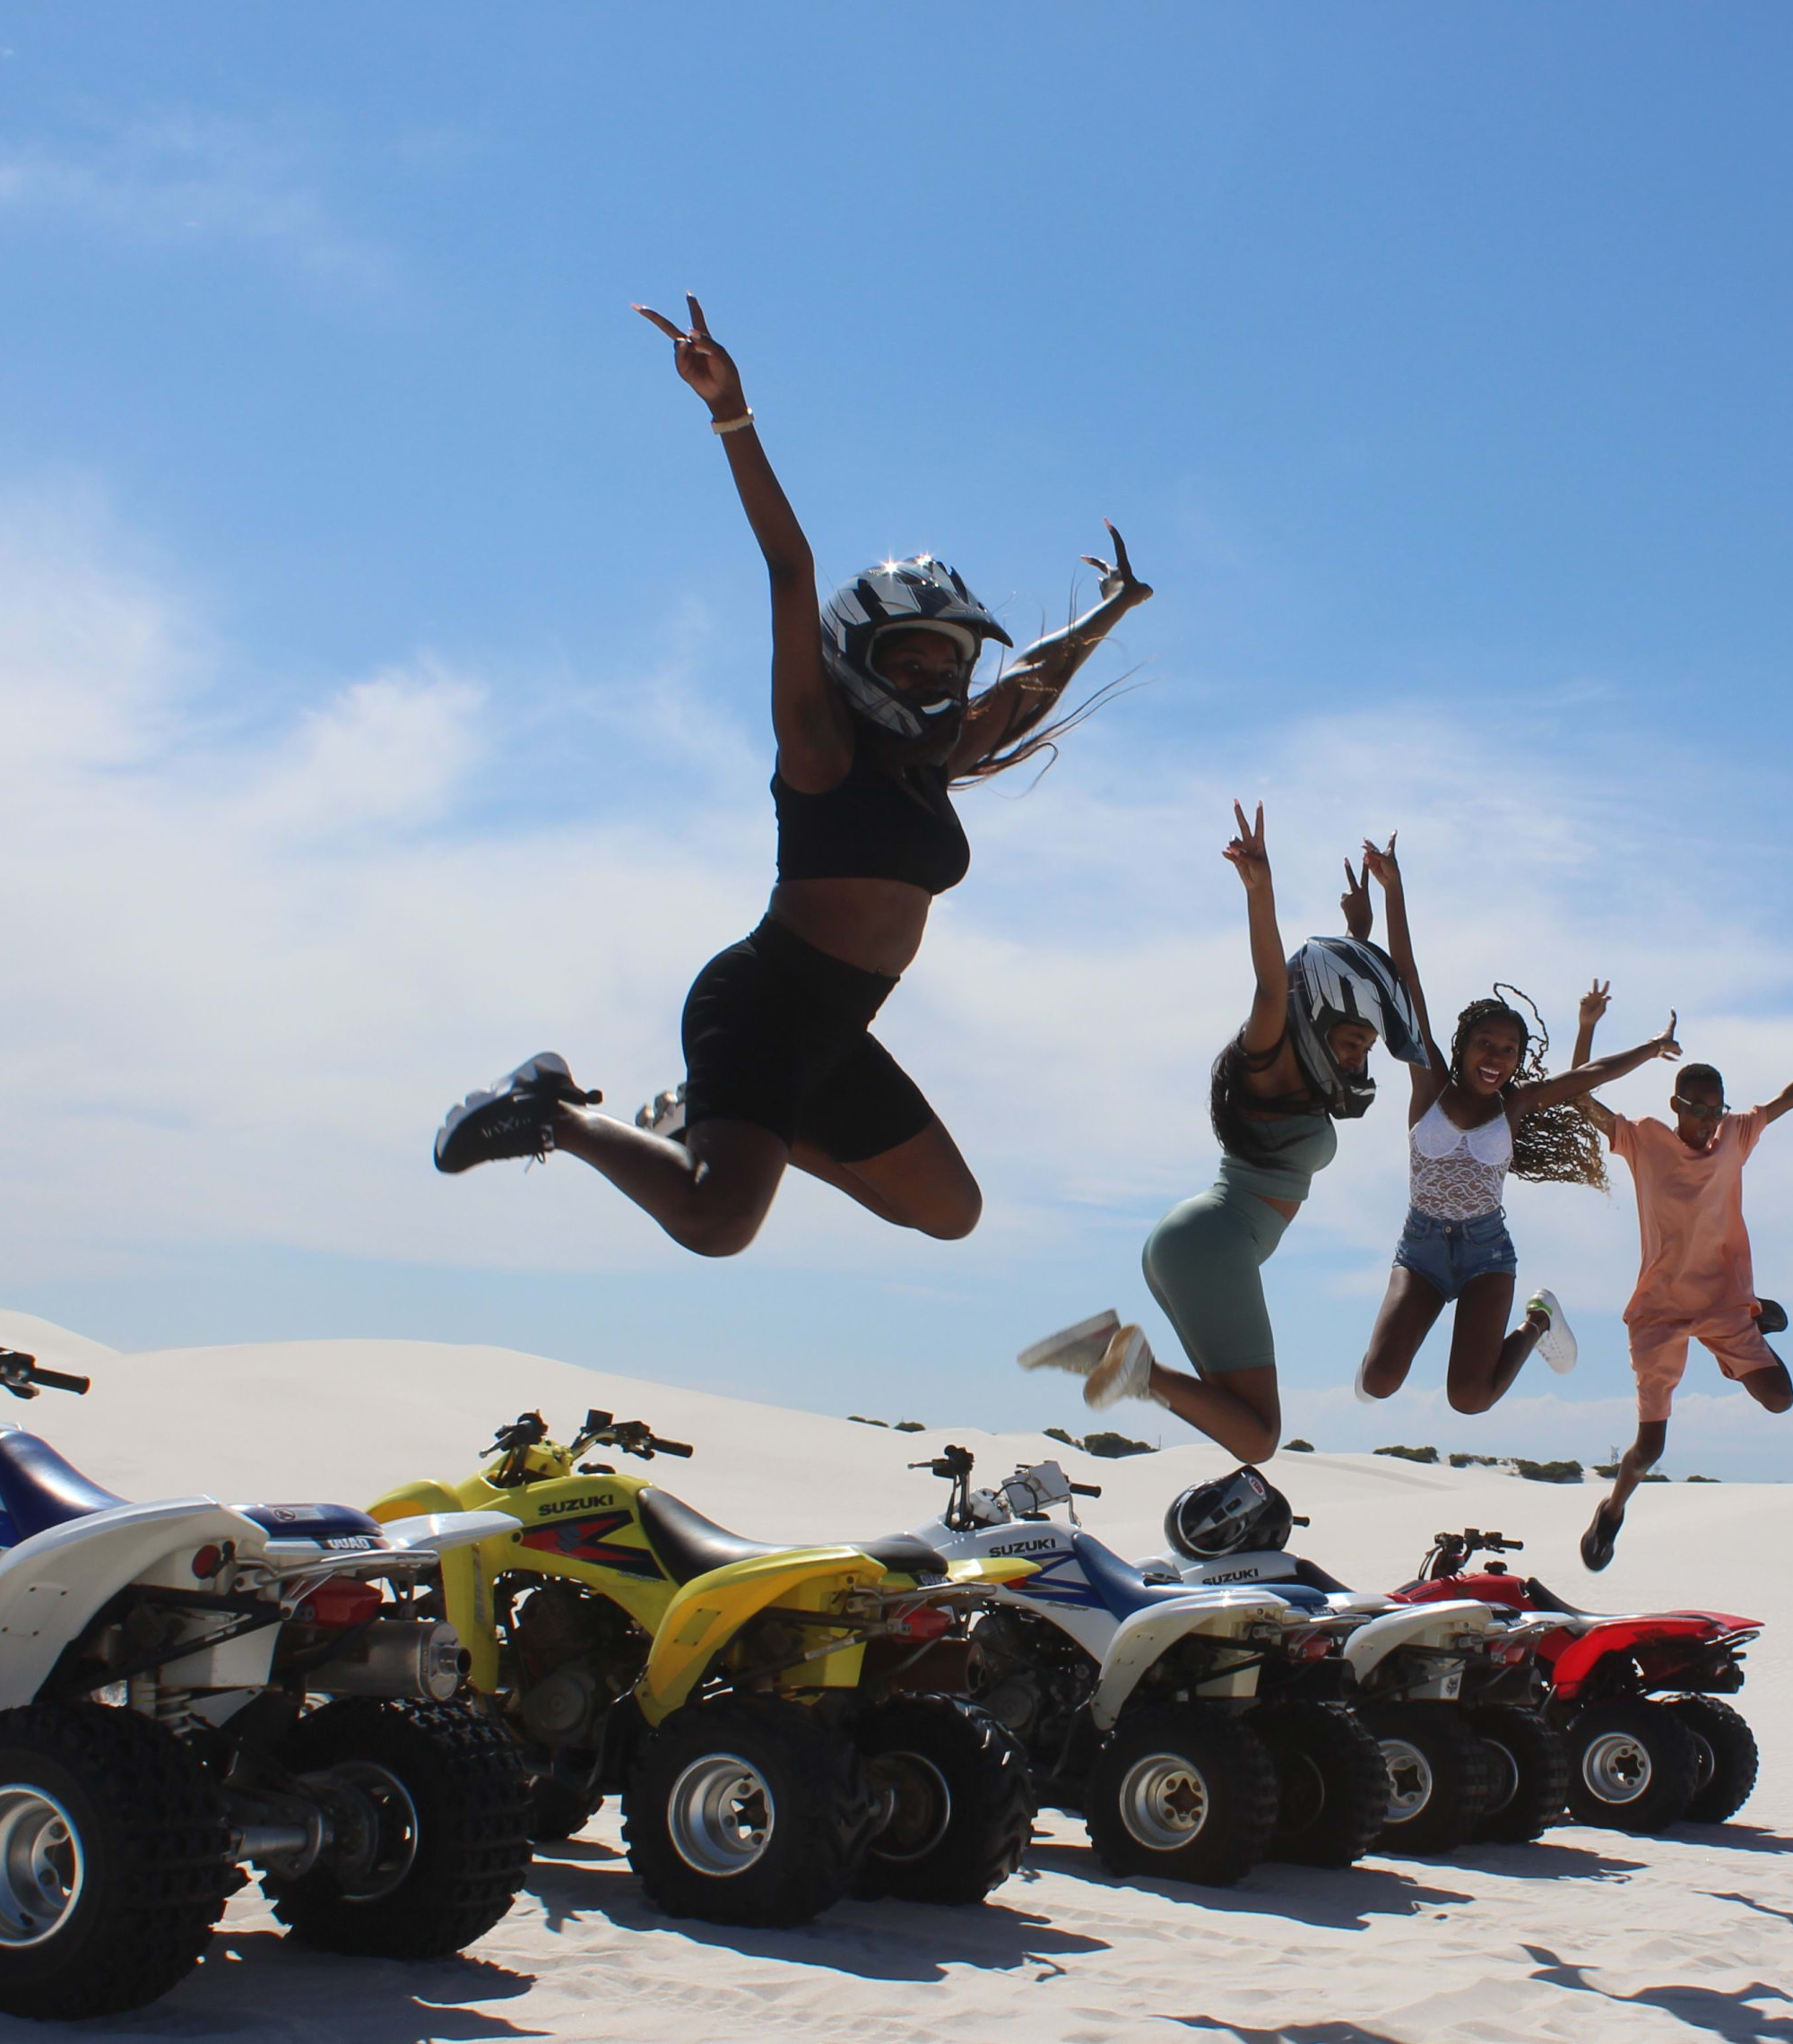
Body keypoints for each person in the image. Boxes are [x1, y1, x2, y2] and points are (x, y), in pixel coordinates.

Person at [430, 297, 1149, 1259]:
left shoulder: (934, 764)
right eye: (910, 658)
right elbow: (788, 567)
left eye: (948, 664)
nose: (933, 678)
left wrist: (1111, 610)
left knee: (948, 1211)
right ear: (858, 657)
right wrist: (730, 414)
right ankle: (555, 1111)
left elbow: (1026, 687)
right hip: (759, 1009)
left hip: (834, 1036)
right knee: (717, 1223)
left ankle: (701, 1121)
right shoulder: (820, 747)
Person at [1020, 805, 1427, 1466]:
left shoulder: (1306, 1075)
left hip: (1195, 1243)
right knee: (1259, 1437)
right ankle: (1126, 1361)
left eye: (1365, 1048)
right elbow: (1274, 985)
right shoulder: (1268, 1060)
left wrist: (1362, 925)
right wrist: (1260, 892)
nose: (1358, 1059)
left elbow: (1340, 987)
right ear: (1315, 1017)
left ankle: (1116, 1355)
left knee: (1239, 1420)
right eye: (1352, 1043)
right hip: (1212, 1245)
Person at [1569, 989, 1793, 1569]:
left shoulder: (1735, 1136)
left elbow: (1790, 1098)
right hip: (1660, 1310)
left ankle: (1754, 1317)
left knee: (1780, 1399)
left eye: (1717, 1110)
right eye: (1699, 1110)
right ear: (1676, 1104)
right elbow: (1578, 1096)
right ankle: (1612, 1511)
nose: (1709, 1122)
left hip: (1720, 1302)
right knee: (1650, 1449)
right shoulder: (1644, 1140)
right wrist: (1587, 1027)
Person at [1356, 922, 1682, 1411]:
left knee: (1469, 1398)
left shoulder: (1515, 1104)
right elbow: (1409, 981)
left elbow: (1588, 1075)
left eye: (1509, 1051)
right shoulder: (1430, 1083)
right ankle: (1384, 1359)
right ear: (1462, 1045)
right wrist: (1391, 888)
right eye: (1486, 1044)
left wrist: (1652, 1047)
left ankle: (1539, 1321)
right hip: (1422, 1249)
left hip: (1485, 1254)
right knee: (1378, 1382)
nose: (1496, 1057)